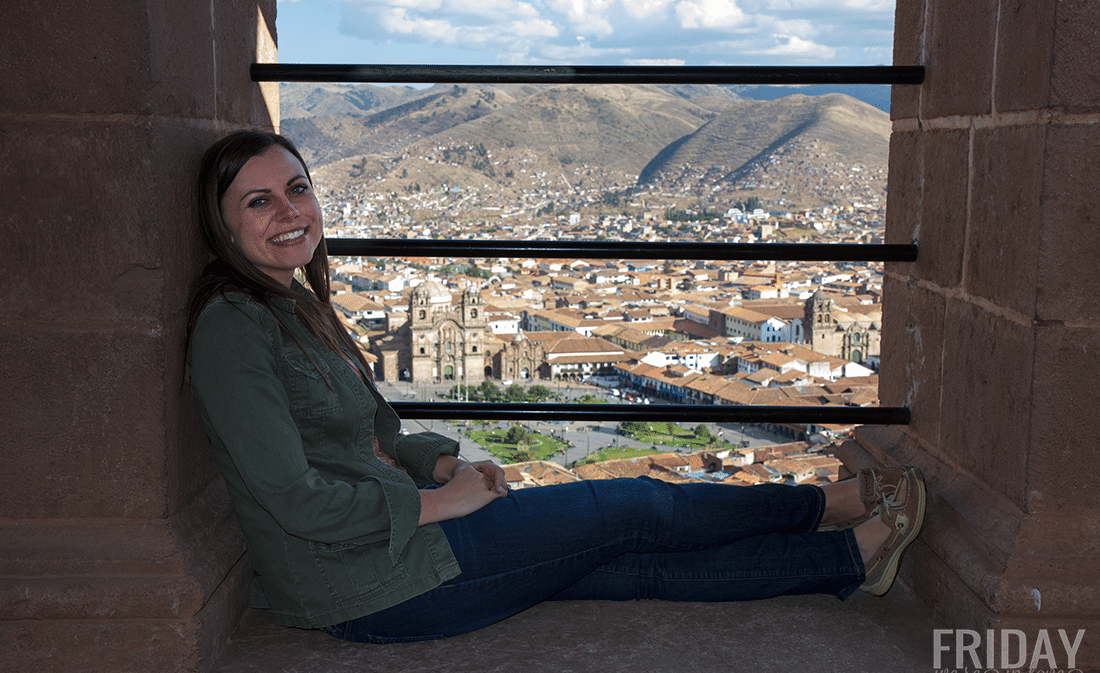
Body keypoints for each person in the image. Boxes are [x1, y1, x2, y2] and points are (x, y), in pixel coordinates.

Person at [186, 130, 926, 644]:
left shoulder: (297, 307)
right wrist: (441, 501)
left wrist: (440, 463)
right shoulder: (233, 328)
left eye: (297, 188)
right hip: (377, 581)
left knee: (627, 565)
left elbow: (373, 438)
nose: (288, 211)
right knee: (633, 501)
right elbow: (291, 497)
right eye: (258, 201)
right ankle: (833, 503)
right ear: (222, 226)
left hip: (399, 555)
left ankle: (847, 559)